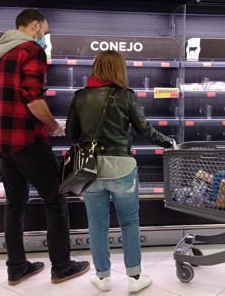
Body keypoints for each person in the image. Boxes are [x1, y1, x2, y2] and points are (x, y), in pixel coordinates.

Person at [0, 9, 89, 286]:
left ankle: (16, 267)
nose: (45, 35)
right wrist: (54, 126)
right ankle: (62, 266)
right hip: (27, 141)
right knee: (55, 200)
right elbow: (32, 98)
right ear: (33, 25)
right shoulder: (30, 51)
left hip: (1, 142)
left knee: (14, 204)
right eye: (44, 29)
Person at [66, 50, 176, 293]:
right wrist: (167, 142)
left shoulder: (80, 97)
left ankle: (103, 277)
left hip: (90, 169)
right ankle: (135, 277)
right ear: (119, 70)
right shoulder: (127, 96)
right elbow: (144, 130)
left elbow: (71, 134)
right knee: (129, 222)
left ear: (96, 68)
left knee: (96, 224)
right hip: (122, 168)